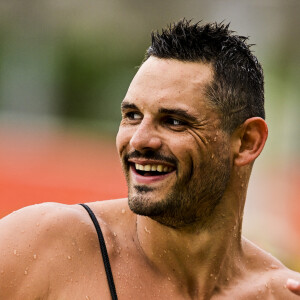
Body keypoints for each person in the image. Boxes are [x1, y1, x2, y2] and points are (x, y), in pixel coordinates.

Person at [0, 19, 299, 300]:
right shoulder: (41, 246)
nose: (139, 140)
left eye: (174, 121)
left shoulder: (281, 292)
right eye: (132, 116)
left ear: (247, 142)